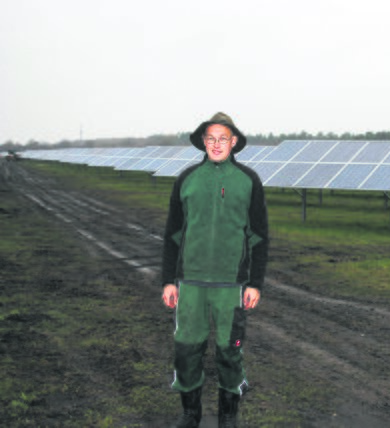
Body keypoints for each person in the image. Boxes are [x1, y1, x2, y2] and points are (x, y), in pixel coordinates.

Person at [161, 112, 269, 428]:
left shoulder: (248, 181)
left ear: (234, 142)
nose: (217, 144)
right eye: (211, 138)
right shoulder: (187, 179)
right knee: (187, 349)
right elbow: (172, 234)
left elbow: (260, 236)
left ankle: (228, 415)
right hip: (190, 283)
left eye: (223, 138)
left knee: (229, 351)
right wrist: (169, 280)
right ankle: (190, 414)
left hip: (231, 285)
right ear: (203, 142)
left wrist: (255, 283)